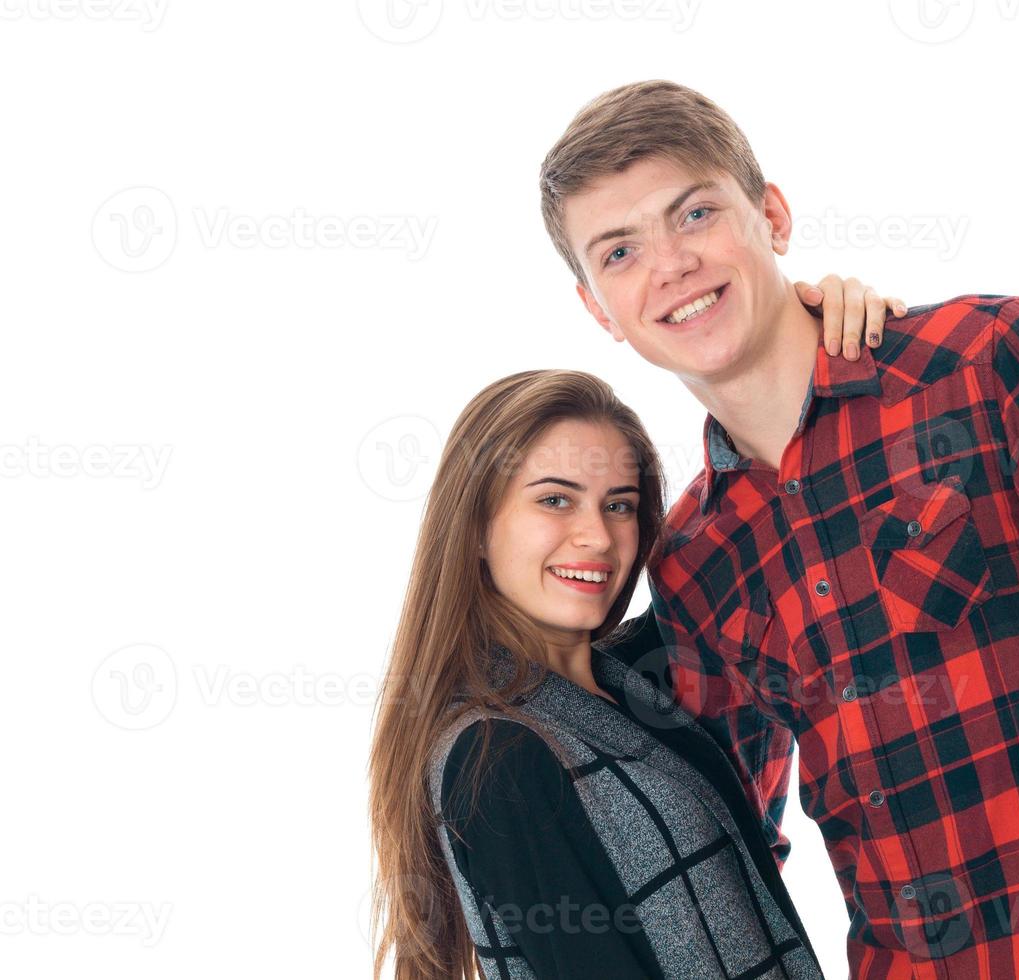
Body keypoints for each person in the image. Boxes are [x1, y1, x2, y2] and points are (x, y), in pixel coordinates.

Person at [538, 80, 1019, 979]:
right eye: (620, 251)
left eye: (695, 213)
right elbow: (734, 855)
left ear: (771, 215)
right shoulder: (696, 556)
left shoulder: (990, 360)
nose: (670, 264)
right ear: (596, 310)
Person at [367, 284, 900, 979]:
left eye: (619, 504)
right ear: (475, 526)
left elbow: (760, 530)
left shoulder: (638, 678)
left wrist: (806, 328)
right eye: (555, 500)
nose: (596, 535)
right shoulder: (499, 755)